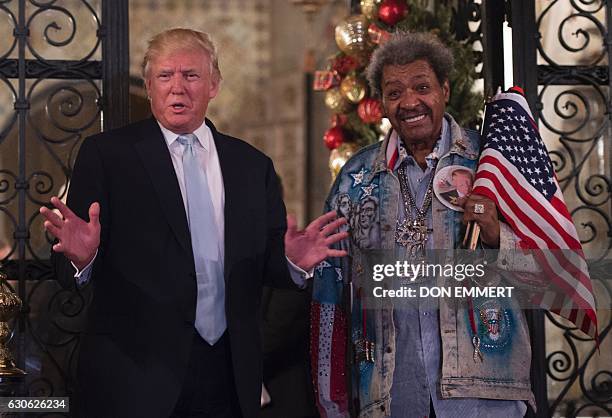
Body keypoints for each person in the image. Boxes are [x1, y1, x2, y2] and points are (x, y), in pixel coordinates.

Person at [40, 28, 347, 418]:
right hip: (135, 376)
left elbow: (267, 266)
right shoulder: (107, 156)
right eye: (165, 76)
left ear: (214, 84)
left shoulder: (252, 167)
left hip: (228, 377)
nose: (177, 88)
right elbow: (69, 268)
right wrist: (82, 258)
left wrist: (293, 263)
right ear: (149, 86)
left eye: (191, 75)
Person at [311, 32, 535, 417]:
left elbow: (550, 274)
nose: (409, 102)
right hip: (392, 394)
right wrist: (332, 403)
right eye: (394, 92)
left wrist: (498, 236)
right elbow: (329, 290)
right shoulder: (356, 179)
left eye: (422, 87)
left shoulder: (490, 165)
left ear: (445, 90)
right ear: (381, 103)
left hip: (486, 393)